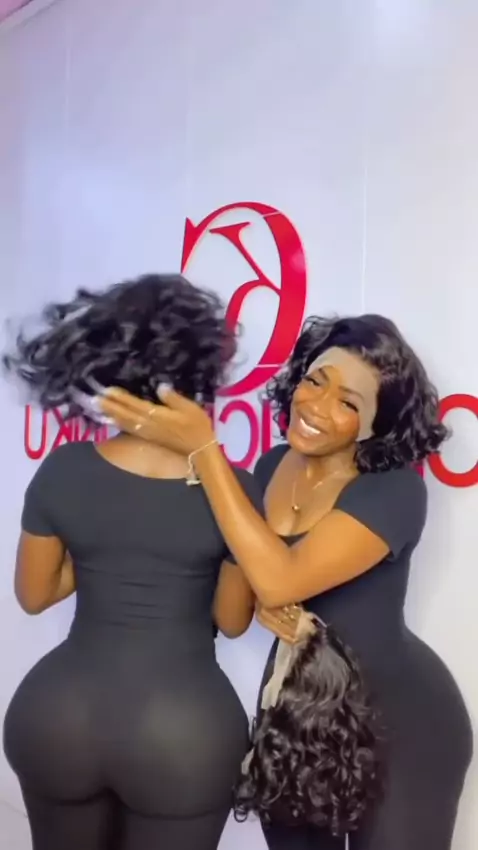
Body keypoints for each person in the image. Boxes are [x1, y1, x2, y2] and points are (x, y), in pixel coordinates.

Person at [97, 313, 473, 850]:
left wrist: (206, 454)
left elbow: (280, 581)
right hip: (298, 713)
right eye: (315, 380)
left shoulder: (394, 491)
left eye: (349, 403)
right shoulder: (272, 466)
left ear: (376, 424)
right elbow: (233, 616)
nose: (317, 405)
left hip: (403, 723)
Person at [2, 273, 265, 850]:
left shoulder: (65, 469)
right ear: (204, 375)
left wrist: (103, 546)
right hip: (183, 734)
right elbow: (231, 619)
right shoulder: (236, 490)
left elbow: (35, 593)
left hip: (58, 717)